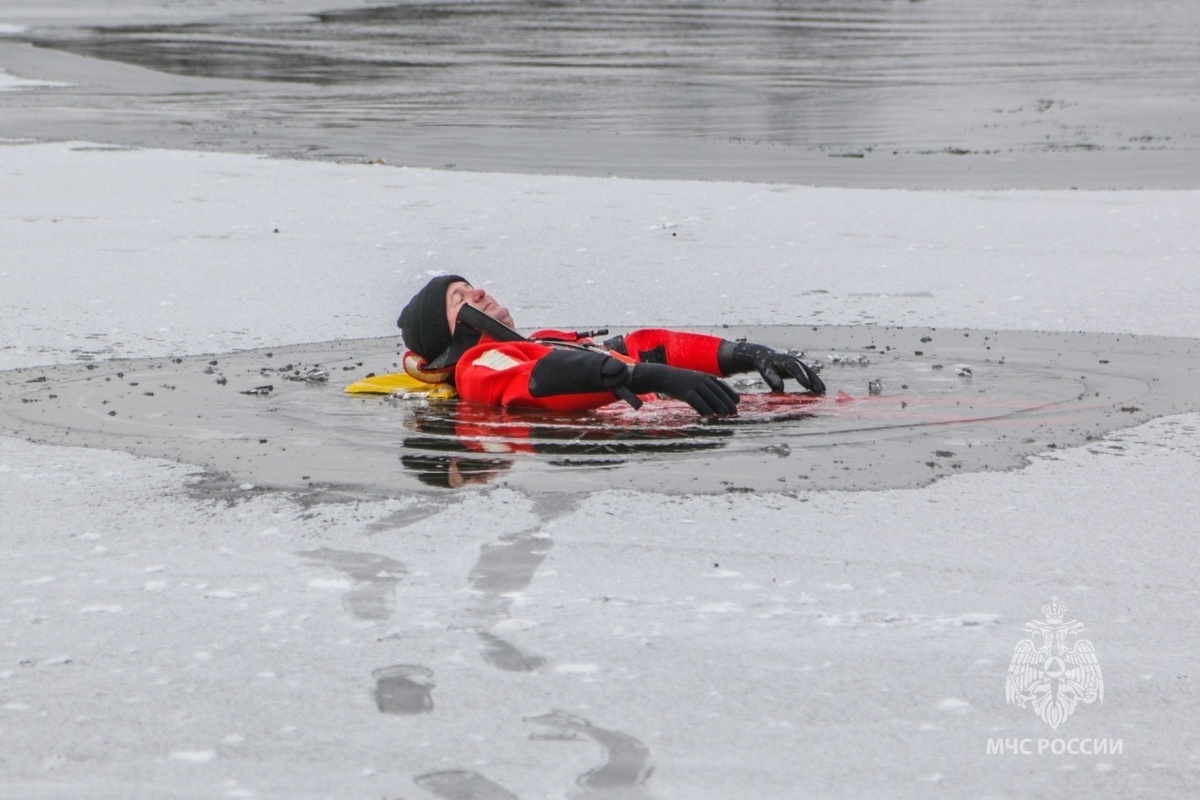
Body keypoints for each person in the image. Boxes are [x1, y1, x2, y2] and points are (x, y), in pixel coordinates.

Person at [396, 274, 824, 417]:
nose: (477, 293)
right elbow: (536, 383)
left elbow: (643, 346)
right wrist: (647, 378)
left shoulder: (542, 340)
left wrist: (747, 355)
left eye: (471, 285)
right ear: (450, 336)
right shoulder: (477, 364)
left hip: (680, 409)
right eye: (459, 299)